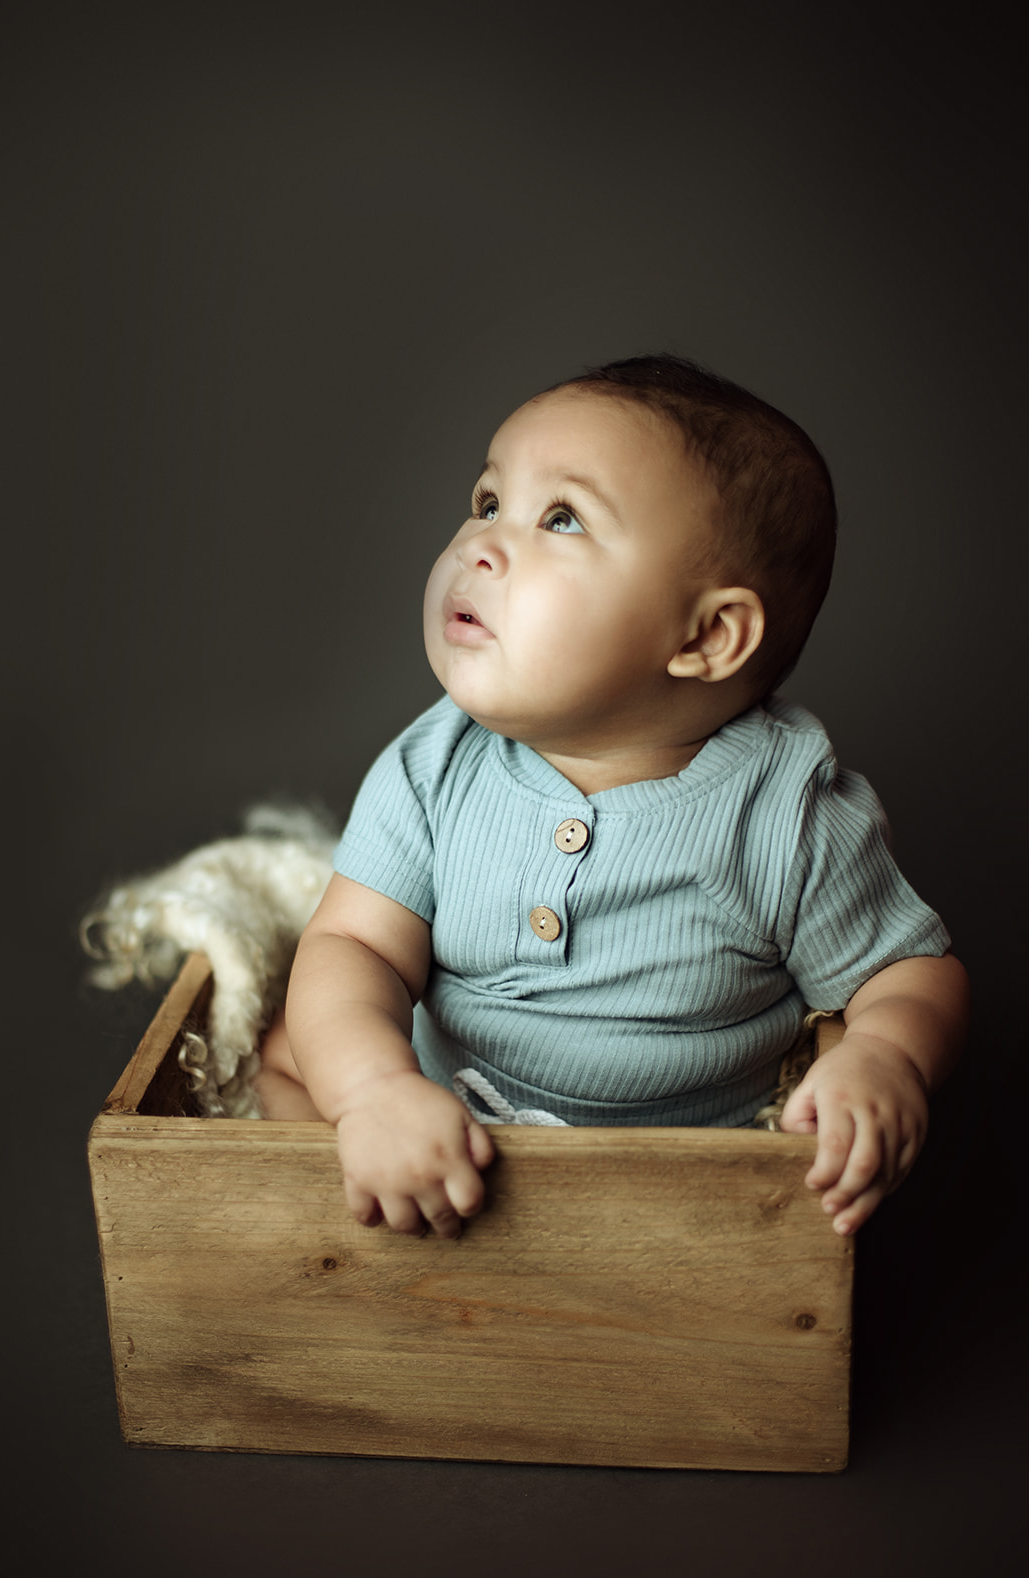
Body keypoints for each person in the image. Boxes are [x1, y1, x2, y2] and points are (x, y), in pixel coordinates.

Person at [254, 354, 969, 1244]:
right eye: (487, 503)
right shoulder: (432, 767)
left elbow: (909, 971)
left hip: (675, 1194)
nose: (479, 543)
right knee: (287, 1059)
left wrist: (883, 1056)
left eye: (560, 518)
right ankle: (368, 1216)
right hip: (442, 1125)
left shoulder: (781, 811)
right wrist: (373, 1090)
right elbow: (353, 943)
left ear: (706, 635)